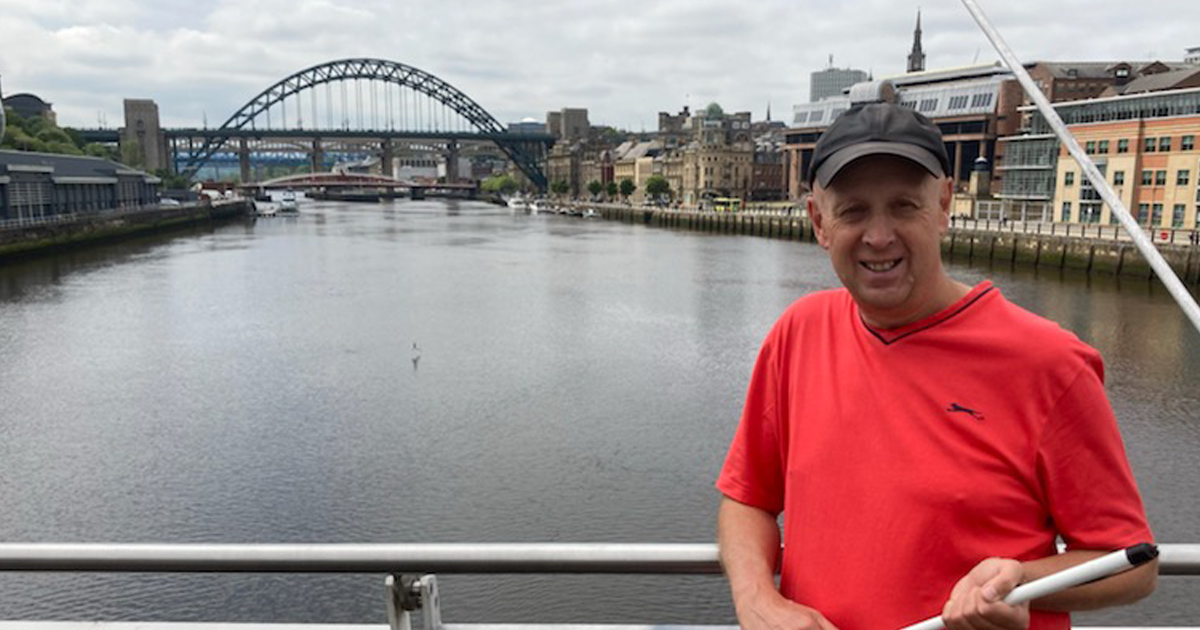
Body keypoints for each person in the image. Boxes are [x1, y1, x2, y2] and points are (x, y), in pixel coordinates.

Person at [716, 98, 1156, 630]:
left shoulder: (1050, 363)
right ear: (819, 222)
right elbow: (747, 500)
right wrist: (758, 599)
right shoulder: (797, 332)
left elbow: (1132, 564)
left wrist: (1022, 581)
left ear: (945, 204)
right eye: (854, 210)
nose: (879, 236)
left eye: (904, 206)